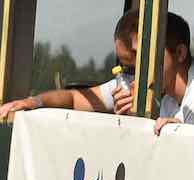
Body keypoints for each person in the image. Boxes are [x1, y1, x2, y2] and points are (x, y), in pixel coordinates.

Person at [0, 9, 140, 120]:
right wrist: (34, 102)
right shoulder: (125, 85)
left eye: (136, 67)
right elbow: (73, 99)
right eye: (128, 68)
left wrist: (138, 114)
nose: (132, 77)